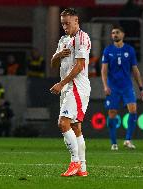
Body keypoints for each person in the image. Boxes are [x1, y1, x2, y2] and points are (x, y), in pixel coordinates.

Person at [50, 8, 91, 177]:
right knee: (75, 127)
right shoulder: (63, 40)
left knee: (63, 123)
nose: (65, 26)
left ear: (76, 21)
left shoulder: (82, 37)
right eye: (62, 24)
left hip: (77, 87)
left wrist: (61, 83)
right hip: (67, 88)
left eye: (68, 23)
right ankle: (82, 168)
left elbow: (80, 65)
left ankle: (74, 161)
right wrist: (58, 55)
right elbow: (53, 64)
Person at [101, 25, 143, 151]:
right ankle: (114, 143)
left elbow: (135, 70)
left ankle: (128, 140)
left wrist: (141, 88)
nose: (114, 35)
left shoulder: (130, 50)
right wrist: (105, 86)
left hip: (126, 86)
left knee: (133, 110)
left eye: (117, 32)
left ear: (123, 35)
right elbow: (104, 70)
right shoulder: (108, 50)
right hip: (113, 87)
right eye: (113, 33)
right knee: (112, 113)